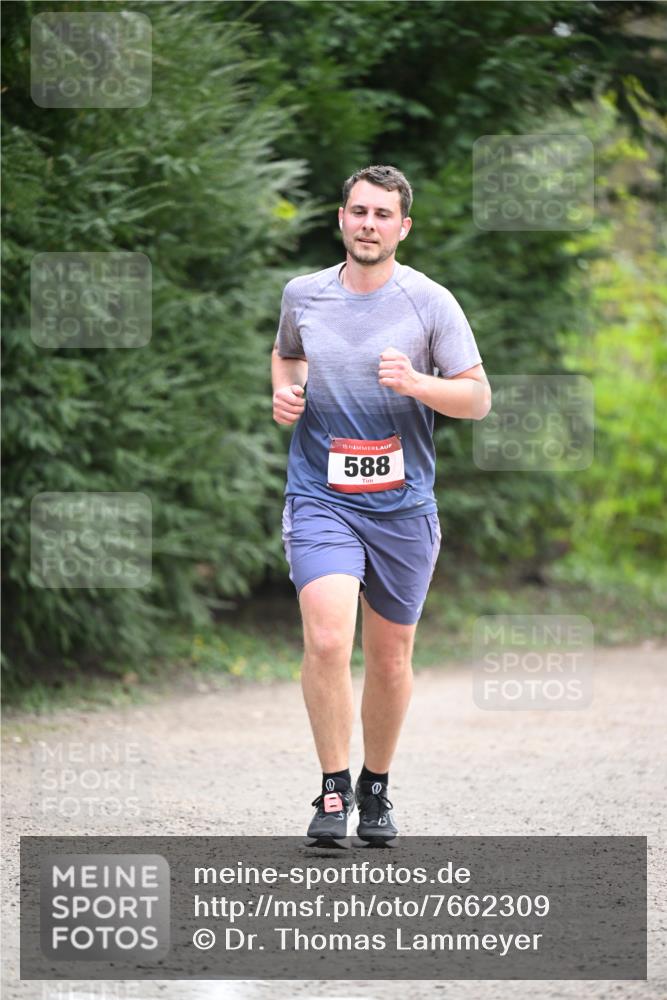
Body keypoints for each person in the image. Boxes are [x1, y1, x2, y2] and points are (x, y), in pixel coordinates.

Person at [272, 164, 490, 847]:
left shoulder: (429, 303)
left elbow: (476, 399)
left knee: (390, 658)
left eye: (381, 214)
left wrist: (419, 383)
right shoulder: (303, 294)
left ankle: (375, 786)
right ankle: (333, 790)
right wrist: (287, 391)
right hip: (321, 496)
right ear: (341, 218)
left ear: (403, 227)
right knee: (330, 637)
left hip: (400, 507)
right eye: (358, 211)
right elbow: (286, 355)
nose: (368, 224)